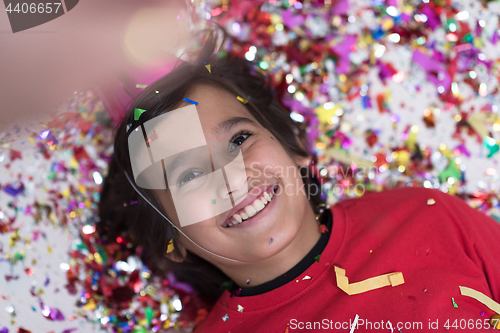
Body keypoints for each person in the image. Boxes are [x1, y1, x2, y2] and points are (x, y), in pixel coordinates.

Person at [98, 30, 500, 332]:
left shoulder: (423, 216)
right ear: (173, 241)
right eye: (189, 175)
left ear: (295, 150)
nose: (231, 178)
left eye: (239, 140)